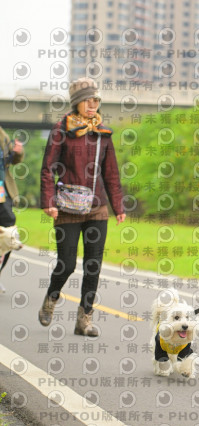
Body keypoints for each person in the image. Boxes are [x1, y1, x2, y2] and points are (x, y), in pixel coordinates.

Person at [39, 77, 126, 336]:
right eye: (87, 100)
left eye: (96, 100)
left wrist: (118, 206)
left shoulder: (103, 134)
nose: (92, 105)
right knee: (66, 264)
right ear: (77, 102)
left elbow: (111, 173)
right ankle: (51, 297)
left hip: (97, 208)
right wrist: (48, 202)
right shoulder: (61, 130)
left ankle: (84, 320)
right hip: (67, 207)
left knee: (93, 265)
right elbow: (48, 169)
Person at [0, 126, 24, 293]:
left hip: (2, 189)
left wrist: (17, 152)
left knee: (10, 230)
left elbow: (12, 160)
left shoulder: (2, 133)